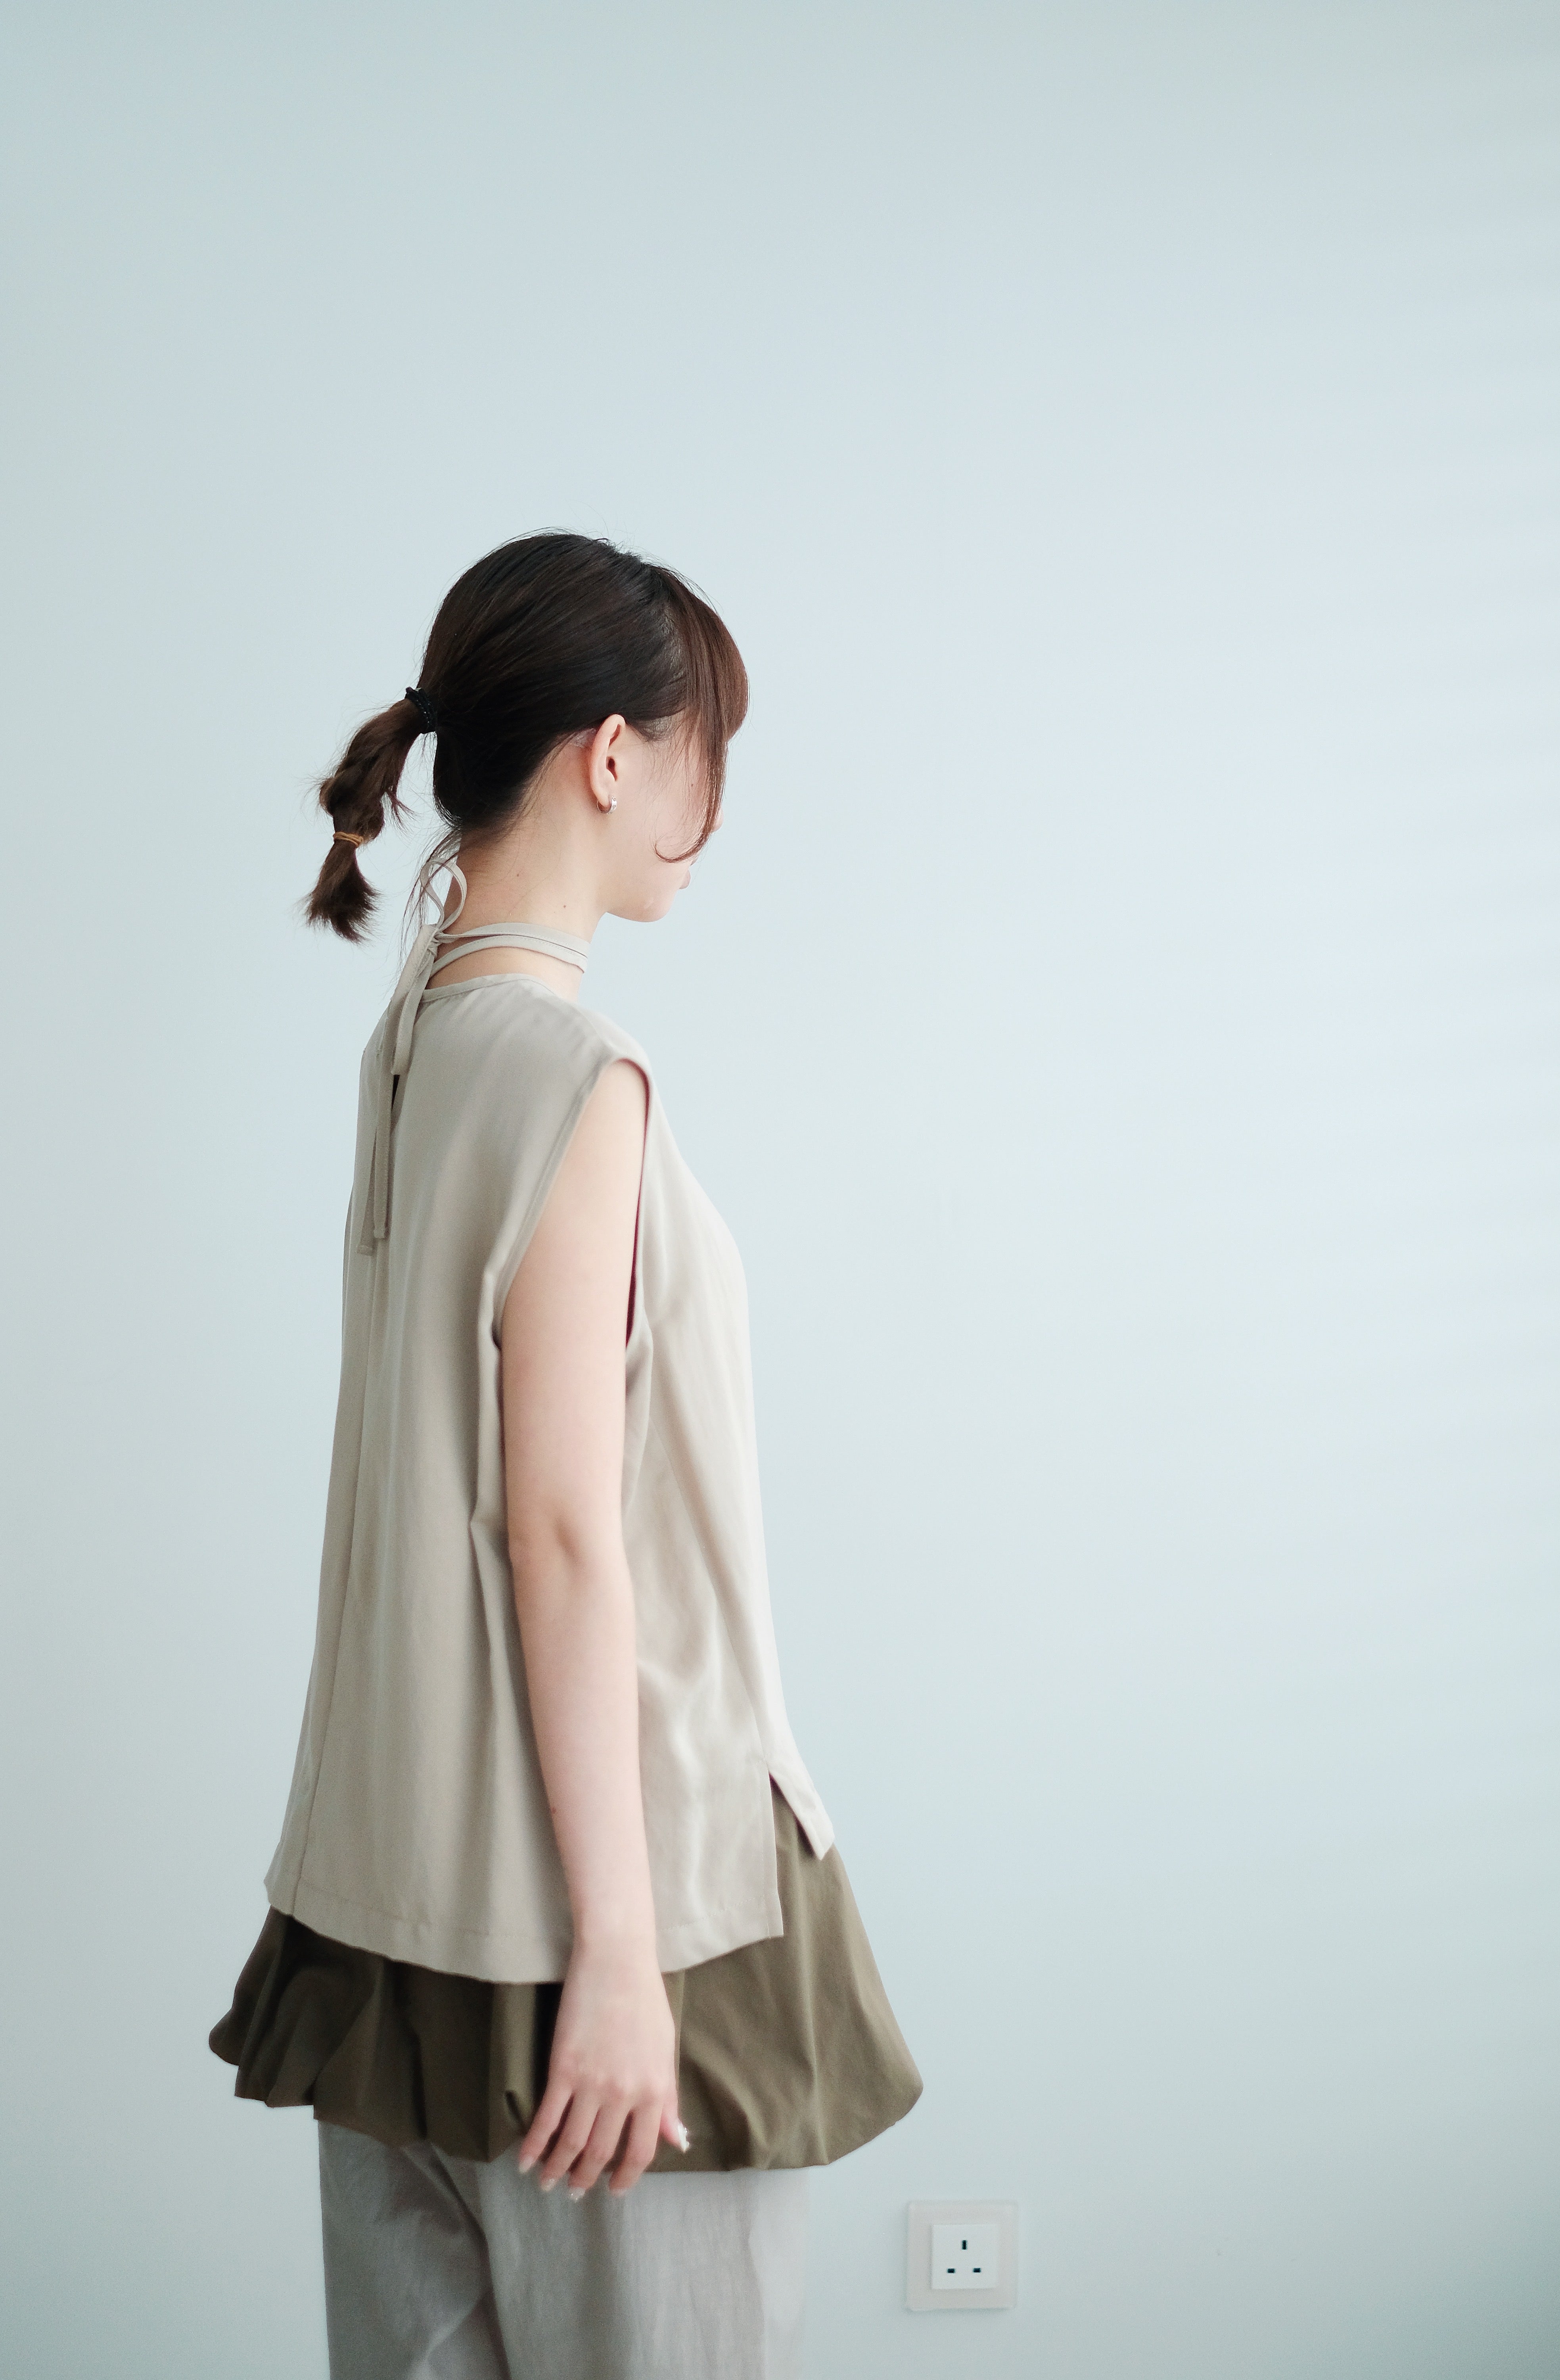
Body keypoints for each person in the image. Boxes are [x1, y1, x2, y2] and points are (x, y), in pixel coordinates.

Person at [209, 532, 921, 2380]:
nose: (711, 807)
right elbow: (559, 1532)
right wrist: (617, 1953)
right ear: (614, 756)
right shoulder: (573, 1073)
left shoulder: (415, 1048)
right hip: (617, 1919)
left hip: (385, 1918)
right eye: (706, 753)